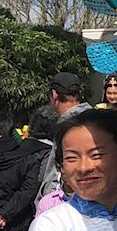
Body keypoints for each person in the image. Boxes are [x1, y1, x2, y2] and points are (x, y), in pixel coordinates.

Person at [36, 72, 93, 200]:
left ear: (54, 95)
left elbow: (55, 176)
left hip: (68, 204)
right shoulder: (96, 121)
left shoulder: (66, 126)